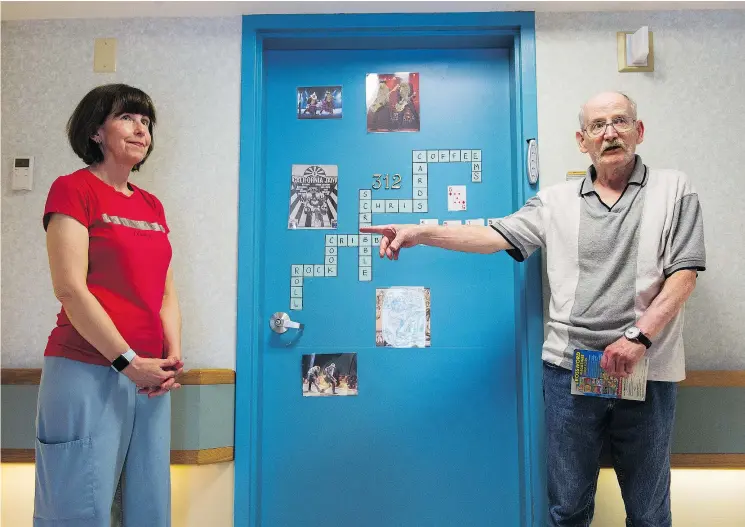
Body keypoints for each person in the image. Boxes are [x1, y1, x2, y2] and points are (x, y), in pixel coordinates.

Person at [362, 91, 706, 527]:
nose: (610, 132)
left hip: (647, 370)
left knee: (650, 513)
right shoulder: (555, 201)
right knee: (568, 508)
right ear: (582, 141)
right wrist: (417, 232)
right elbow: (491, 235)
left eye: (620, 121)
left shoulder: (674, 188)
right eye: (598, 125)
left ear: (639, 131)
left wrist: (638, 338)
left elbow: (686, 273)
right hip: (570, 372)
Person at [34, 83, 184, 527]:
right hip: (86, 369)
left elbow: (165, 292)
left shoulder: (151, 205)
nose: (141, 130)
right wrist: (127, 361)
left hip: (149, 378)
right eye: (128, 118)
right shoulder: (72, 190)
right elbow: (70, 289)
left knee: (148, 506)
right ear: (96, 131)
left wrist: (170, 356)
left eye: (146, 122)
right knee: (78, 507)